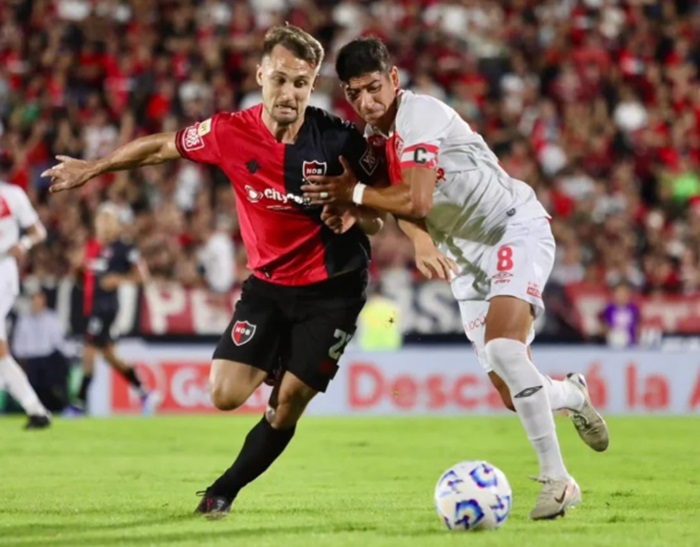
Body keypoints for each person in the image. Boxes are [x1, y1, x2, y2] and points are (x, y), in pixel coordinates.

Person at [42, 25, 385, 517]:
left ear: (313, 85)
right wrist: (93, 168)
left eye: (301, 83)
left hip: (333, 290)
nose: (289, 93)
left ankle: (221, 492)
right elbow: (161, 147)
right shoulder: (228, 132)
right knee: (224, 394)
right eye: (280, 79)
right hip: (268, 286)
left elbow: (380, 215)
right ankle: (279, 355)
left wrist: (354, 209)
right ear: (261, 75)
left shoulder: (340, 140)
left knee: (286, 405)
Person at [301, 37, 610, 520]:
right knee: (511, 392)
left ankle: (558, 481)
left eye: (374, 87)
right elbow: (399, 206)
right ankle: (572, 394)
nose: (367, 101)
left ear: (394, 79)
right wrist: (418, 239)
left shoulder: (420, 114)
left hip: (511, 227)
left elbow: (416, 199)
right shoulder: (374, 142)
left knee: (506, 350)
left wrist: (356, 194)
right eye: (355, 93)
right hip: (464, 259)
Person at [64, 204, 159, 416]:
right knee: (110, 356)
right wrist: (77, 269)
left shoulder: (124, 248)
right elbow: (79, 276)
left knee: (89, 352)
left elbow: (142, 277)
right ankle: (144, 392)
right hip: (90, 307)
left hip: (106, 307)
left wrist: (119, 279)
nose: (105, 225)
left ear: (116, 224)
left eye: (109, 220)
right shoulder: (91, 247)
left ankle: (78, 405)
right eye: (102, 219)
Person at [0, 178, 51, 429]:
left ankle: (36, 409)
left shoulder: (11, 194)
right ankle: (36, 410)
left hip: (3, 271)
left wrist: (24, 244)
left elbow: (38, 231)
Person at [12, 287, 70, 413]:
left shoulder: (52, 318)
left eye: (39, 298)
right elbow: (18, 347)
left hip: (48, 360)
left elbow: (59, 343)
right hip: (30, 361)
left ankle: (60, 405)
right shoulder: (24, 320)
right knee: (30, 371)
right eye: (33, 299)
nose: (36, 302)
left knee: (55, 366)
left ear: (44, 300)